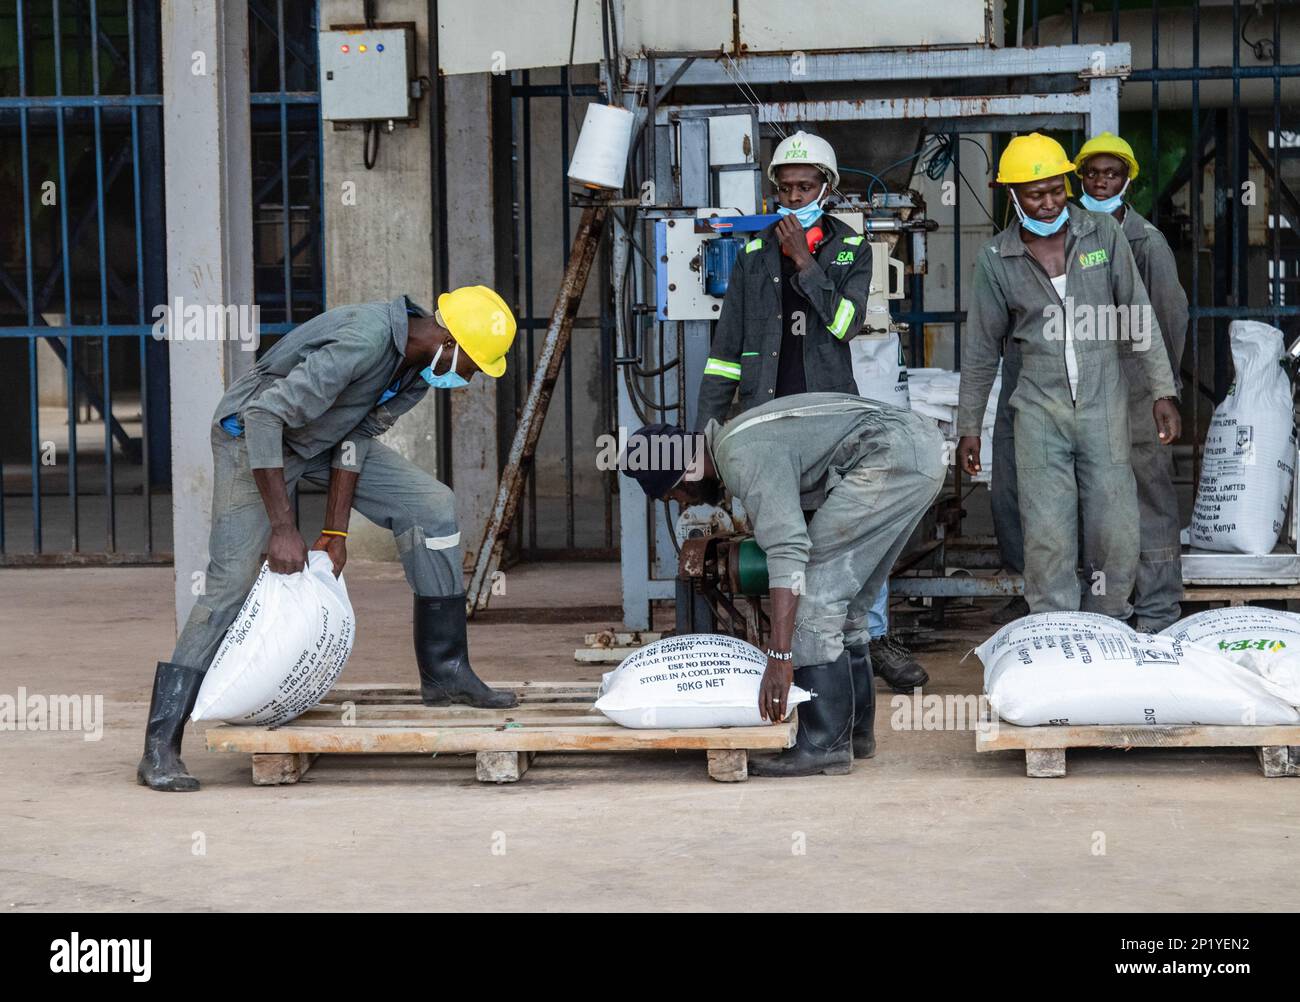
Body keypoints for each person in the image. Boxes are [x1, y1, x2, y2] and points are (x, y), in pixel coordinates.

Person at [138, 287, 519, 792]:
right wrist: (283, 527)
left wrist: (335, 533)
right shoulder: (362, 343)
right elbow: (264, 416)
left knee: (431, 507)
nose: (469, 377)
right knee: (230, 583)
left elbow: (353, 440)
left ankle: (446, 672)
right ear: (449, 340)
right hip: (253, 440)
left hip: (319, 442)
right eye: (472, 364)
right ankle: (160, 744)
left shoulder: (414, 375)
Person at [693, 129, 928, 691]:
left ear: (828, 186)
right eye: (786, 187)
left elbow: (847, 323)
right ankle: (786, 648)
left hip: (829, 424)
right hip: (768, 421)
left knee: (846, 536)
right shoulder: (752, 255)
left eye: (806, 186)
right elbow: (725, 353)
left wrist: (805, 262)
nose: (794, 196)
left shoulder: (851, 248)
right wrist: (704, 432)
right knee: (783, 535)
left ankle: (866, 637)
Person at [622, 392, 946, 777]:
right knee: (850, 602)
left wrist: (779, 656)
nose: (680, 504)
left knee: (812, 592)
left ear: (685, 474)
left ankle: (824, 744)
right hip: (918, 451)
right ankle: (855, 735)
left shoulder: (741, 457)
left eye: (673, 494)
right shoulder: (735, 437)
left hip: (892, 457)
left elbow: (789, 550)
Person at [956, 134, 1181, 619]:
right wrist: (968, 425)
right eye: (1036, 194)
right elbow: (980, 349)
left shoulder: (1102, 233)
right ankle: (1057, 628)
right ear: (1012, 195)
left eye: (1057, 189)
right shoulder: (997, 259)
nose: (1050, 201)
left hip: (1104, 406)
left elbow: (1138, 313)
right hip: (1039, 412)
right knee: (1048, 532)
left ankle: (1108, 621)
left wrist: (1162, 389)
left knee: (1114, 527)